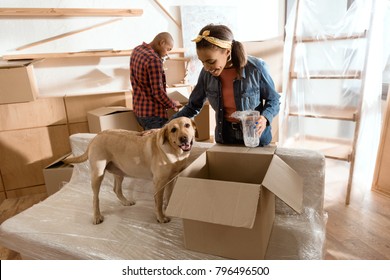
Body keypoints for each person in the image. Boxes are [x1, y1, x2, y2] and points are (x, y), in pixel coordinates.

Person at [172, 24, 280, 146]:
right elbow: (192, 106)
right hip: (225, 136)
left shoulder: (256, 68)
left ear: (227, 52)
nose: (206, 68)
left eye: (211, 61)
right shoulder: (206, 74)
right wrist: (164, 127)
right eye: (202, 62)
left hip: (255, 136)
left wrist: (265, 118)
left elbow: (274, 100)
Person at [130, 32, 181, 130]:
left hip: (139, 111)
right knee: (158, 145)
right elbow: (157, 92)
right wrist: (172, 104)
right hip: (153, 115)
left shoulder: (137, 50)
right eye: (168, 49)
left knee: (148, 143)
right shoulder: (154, 60)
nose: (167, 53)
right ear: (162, 43)